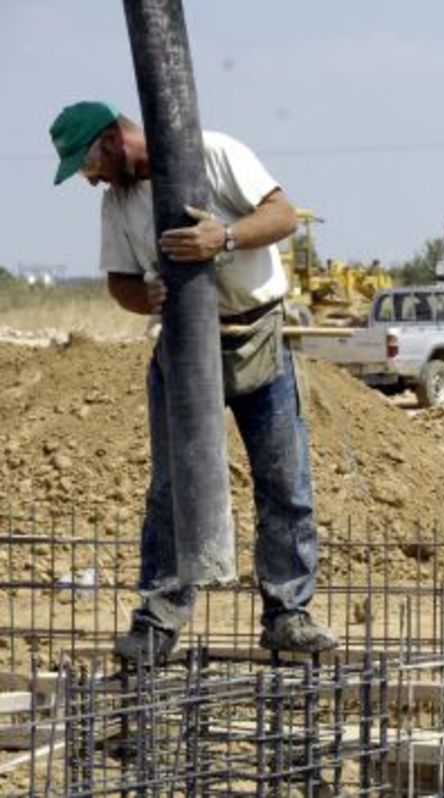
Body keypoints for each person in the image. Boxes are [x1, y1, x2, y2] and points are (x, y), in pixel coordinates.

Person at [49, 101, 338, 664]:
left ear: (111, 141)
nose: (91, 183)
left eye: (90, 168)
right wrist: (145, 297)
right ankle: (158, 621)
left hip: (256, 336)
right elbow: (120, 283)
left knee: (285, 482)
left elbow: (282, 215)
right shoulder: (120, 201)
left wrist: (223, 238)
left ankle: (288, 613)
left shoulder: (215, 151)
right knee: (172, 490)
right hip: (182, 349)